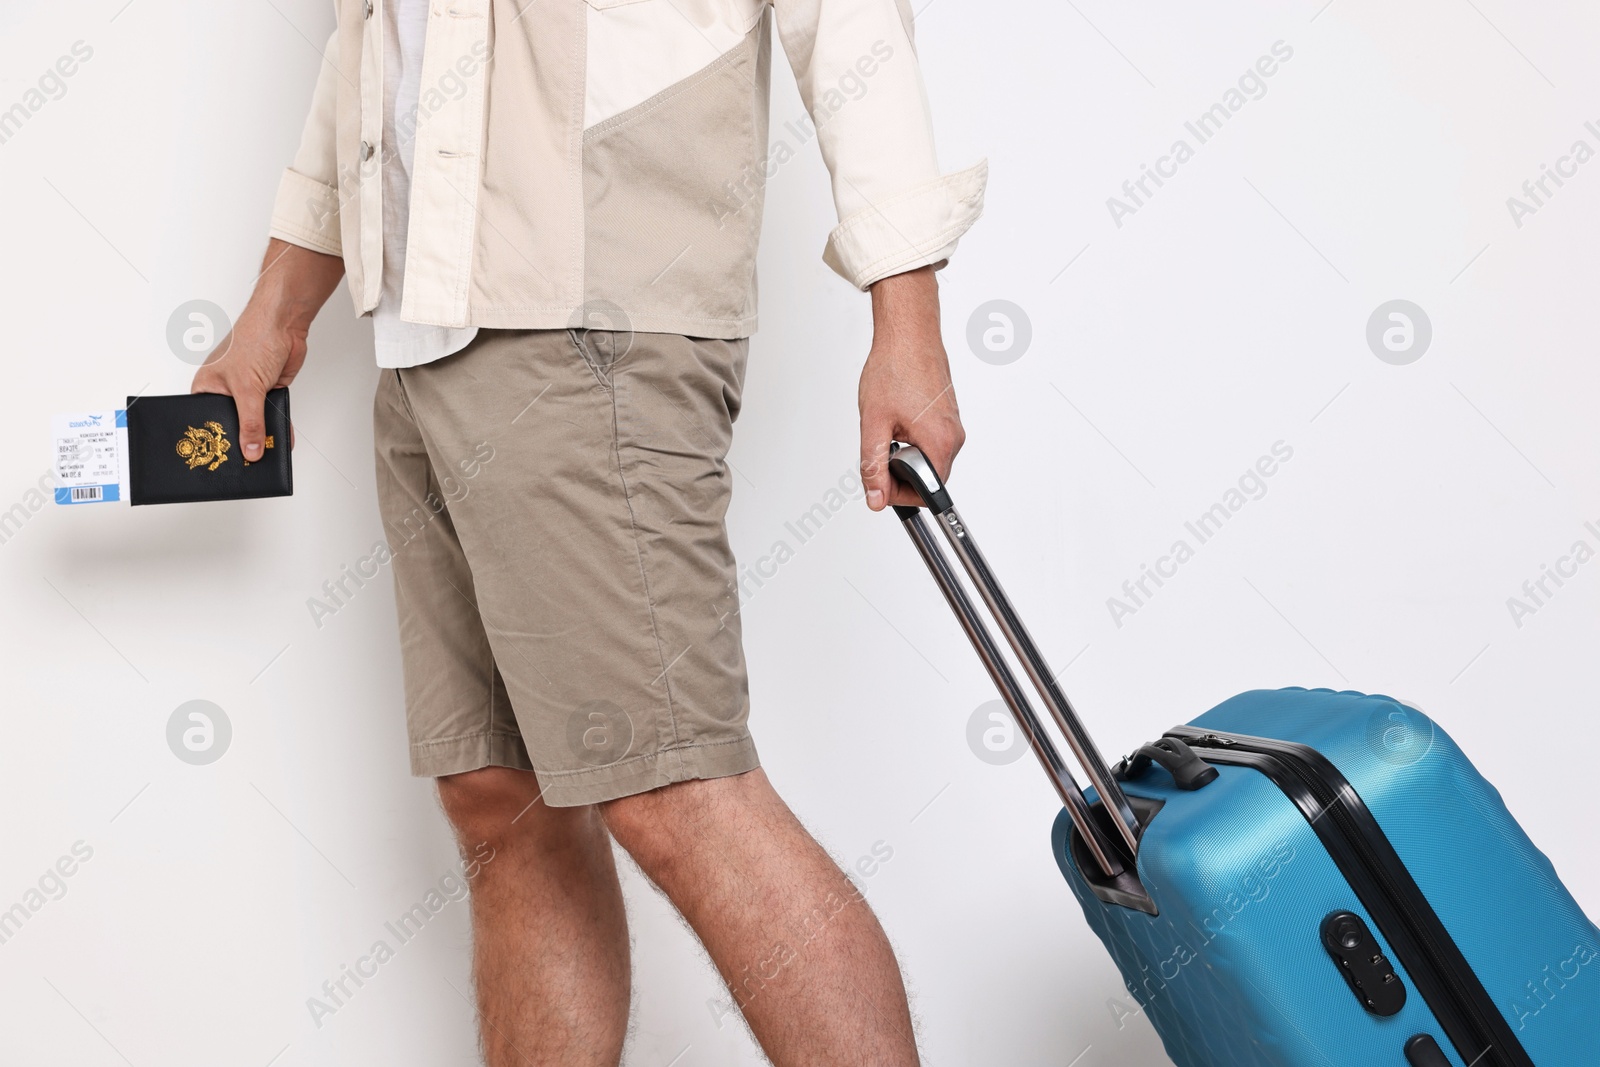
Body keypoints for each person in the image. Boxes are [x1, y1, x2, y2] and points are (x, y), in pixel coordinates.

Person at [192, 0, 983, 1062]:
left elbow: (847, 20)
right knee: (499, 797)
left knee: (674, 788)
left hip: (592, 313)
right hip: (420, 326)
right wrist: (276, 311)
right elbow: (371, 43)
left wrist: (908, 320)